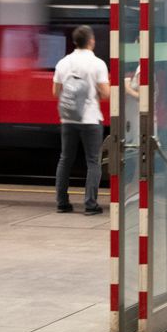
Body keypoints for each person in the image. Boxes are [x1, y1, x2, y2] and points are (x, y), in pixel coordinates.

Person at [53, 25, 110, 215]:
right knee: (93, 161)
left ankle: (62, 203)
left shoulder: (63, 62)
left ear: (75, 41)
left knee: (65, 159)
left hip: (68, 119)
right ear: (91, 41)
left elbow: (55, 92)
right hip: (90, 119)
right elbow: (105, 93)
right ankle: (90, 204)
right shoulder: (98, 64)